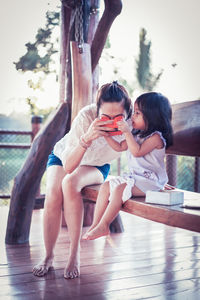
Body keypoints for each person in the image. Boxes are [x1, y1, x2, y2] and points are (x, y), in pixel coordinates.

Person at [32, 81, 133, 279]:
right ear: (97, 110)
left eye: (117, 117)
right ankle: (48, 256)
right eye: (105, 117)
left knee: (69, 183)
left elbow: (144, 151)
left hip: (97, 165)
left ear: (127, 111)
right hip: (66, 157)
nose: (111, 121)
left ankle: (74, 253)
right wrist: (88, 137)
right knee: (53, 192)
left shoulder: (132, 123)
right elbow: (69, 166)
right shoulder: (86, 116)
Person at [83, 92, 173, 241]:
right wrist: (106, 135)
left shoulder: (156, 138)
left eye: (137, 113)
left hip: (151, 182)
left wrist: (126, 131)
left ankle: (104, 225)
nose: (132, 117)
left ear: (152, 116)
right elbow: (119, 147)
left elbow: (137, 152)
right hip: (137, 179)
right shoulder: (137, 135)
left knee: (119, 188)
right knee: (106, 186)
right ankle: (95, 225)